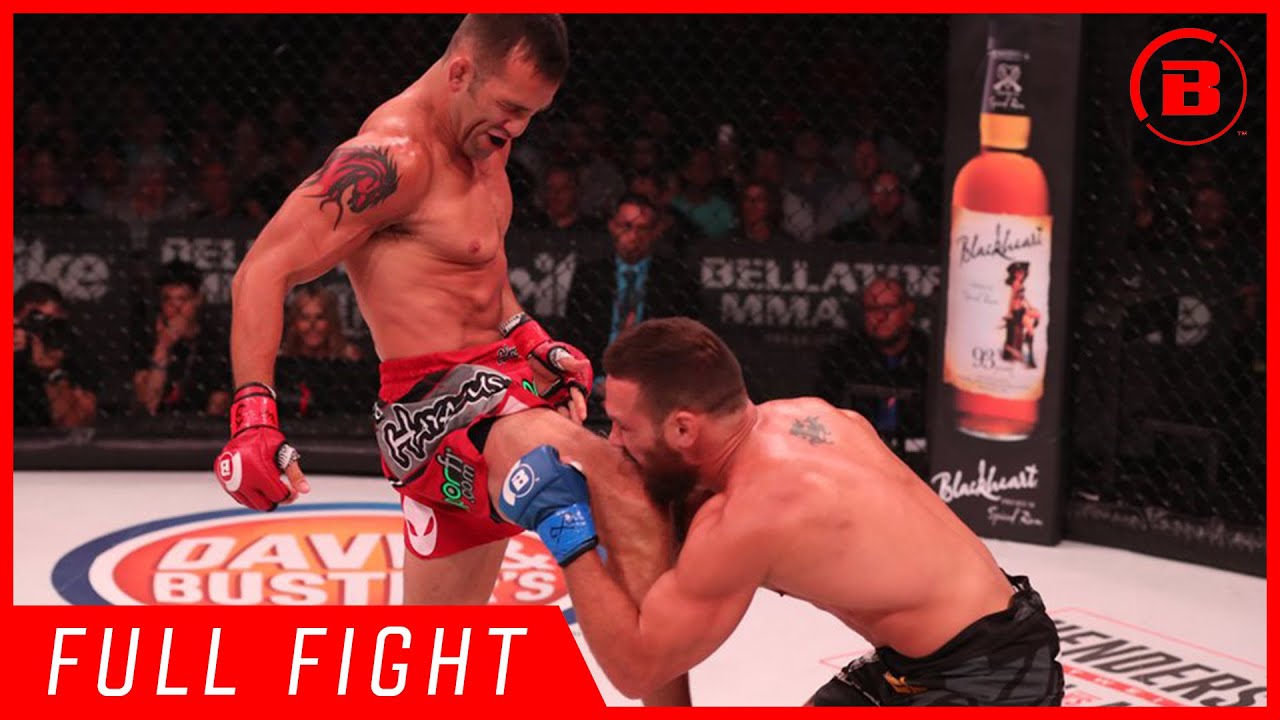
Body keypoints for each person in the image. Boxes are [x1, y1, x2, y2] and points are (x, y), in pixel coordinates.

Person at [213, 14, 687, 705]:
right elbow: (262, 270)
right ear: (461, 71)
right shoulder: (392, 158)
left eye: (532, 114)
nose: (518, 128)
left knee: (433, 663)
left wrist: (530, 336)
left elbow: (480, 266)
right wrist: (254, 416)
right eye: (512, 107)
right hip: (440, 407)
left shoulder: (482, 136)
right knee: (631, 494)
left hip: (498, 387)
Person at [496, 317, 1064, 706]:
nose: (614, 441)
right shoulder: (808, 416)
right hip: (946, 654)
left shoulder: (750, 517)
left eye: (624, 426)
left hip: (991, 681)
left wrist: (567, 530)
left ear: (684, 428)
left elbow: (638, 668)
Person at [815, 276, 929, 454]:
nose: (881, 317)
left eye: (889, 308)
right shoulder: (842, 355)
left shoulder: (929, 354)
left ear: (908, 309)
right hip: (855, 454)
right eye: (872, 309)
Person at [134, 259, 231, 416]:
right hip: (155, 427)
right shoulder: (148, 339)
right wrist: (163, 348)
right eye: (168, 299)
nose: (176, 307)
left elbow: (219, 404)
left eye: (183, 299)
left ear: (198, 300)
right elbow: (148, 404)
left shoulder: (215, 342)